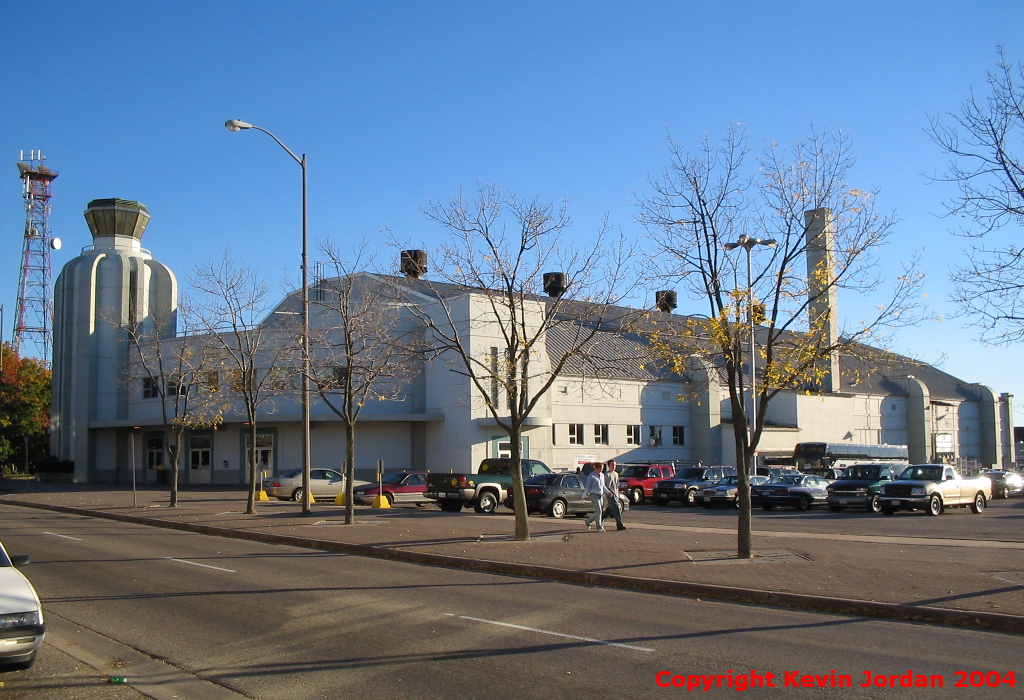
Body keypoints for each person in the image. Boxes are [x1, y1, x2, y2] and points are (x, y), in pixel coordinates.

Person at [583, 462, 613, 532]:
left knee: (599, 511)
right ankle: (599, 526)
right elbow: (588, 487)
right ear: (595, 468)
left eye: (602, 469)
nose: (601, 470)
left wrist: (608, 492)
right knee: (599, 510)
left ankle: (588, 521)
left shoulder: (602, 475)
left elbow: (603, 485)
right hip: (594, 495)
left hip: (600, 495)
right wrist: (584, 495)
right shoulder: (591, 476)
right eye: (599, 469)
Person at [603, 459, 626, 530]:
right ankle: (619, 525)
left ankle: (599, 519)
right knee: (616, 509)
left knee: (609, 510)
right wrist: (607, 493)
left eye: (615, 465)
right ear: (609, 465)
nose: (614, 466)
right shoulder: (606, 474)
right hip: (610, 494)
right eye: (612, 465)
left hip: (615, 494)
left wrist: (617, 493)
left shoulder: (616, 474)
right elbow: (604, 485)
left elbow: (617, 485)